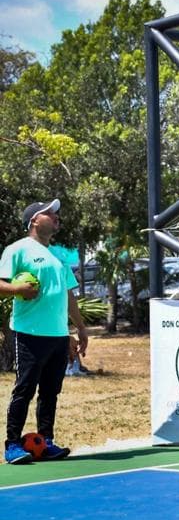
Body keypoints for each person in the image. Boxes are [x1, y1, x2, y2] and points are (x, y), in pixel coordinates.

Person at [1, 199, 89, 465]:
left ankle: (45, 441)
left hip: (58, 335)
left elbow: (68, 294)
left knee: (51, 391)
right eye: (50, 213)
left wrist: (80, 329)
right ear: (35, 221)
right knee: (24, 389)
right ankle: (13, 444)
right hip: (28, 333)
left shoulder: (59, 255)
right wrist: (17, 290)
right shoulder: (17, 250)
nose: (56, 216)